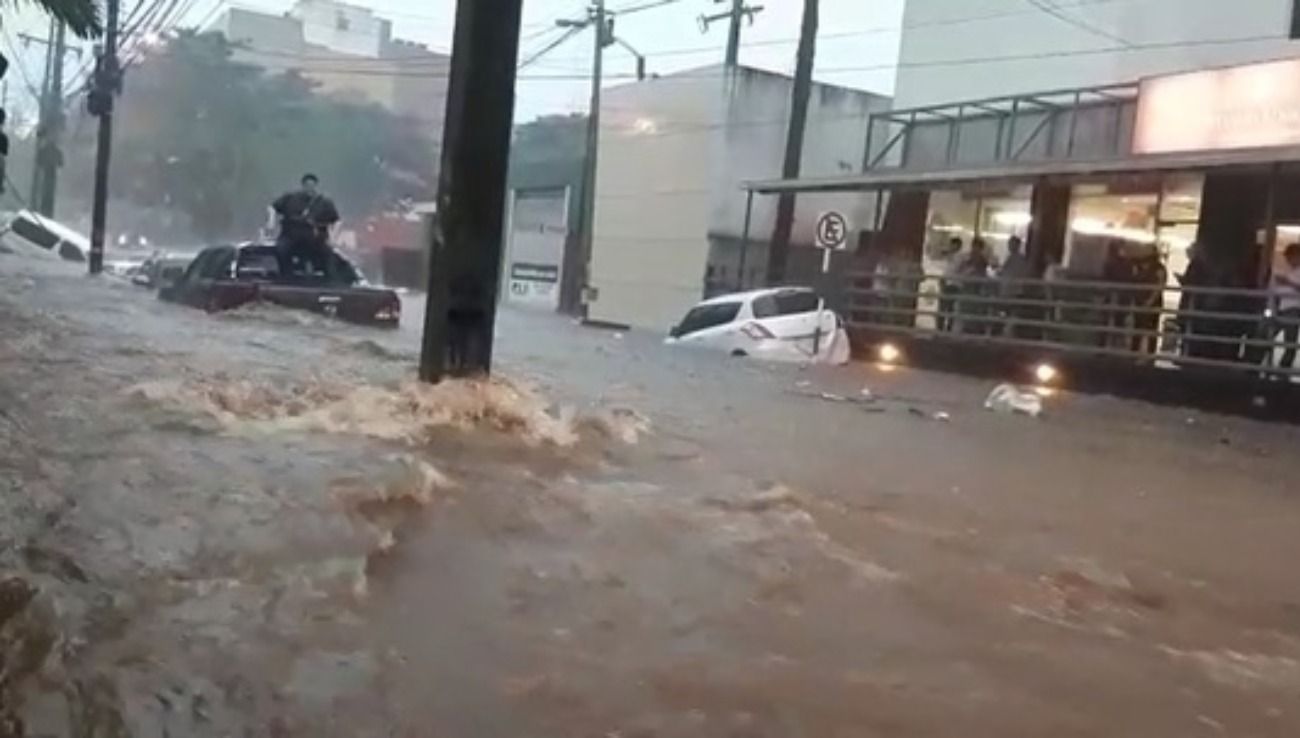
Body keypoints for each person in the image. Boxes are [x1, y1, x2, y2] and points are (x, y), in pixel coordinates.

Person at [269, 173, 341, 280]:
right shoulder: (290, 198)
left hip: (315, 240)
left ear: (316, 186)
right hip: (291, 236)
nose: (310, 188)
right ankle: (286, 275)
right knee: (281, 250)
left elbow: (336, 220)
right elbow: (273, 207)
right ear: (303, 185)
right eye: (307, 185)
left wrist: (333, 238)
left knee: (328, 256)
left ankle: (331, 280)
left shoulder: (324, 202)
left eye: (312, 185)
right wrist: (271, 222)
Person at [1271, 243, 1300, 372]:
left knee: (1290, 340)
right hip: (1281, 309)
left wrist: (1287, 282)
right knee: (1268, 334)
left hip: (1294, 309)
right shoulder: (1288, 272)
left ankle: (1284, 367)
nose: (1288, 260)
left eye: (1291, 257)